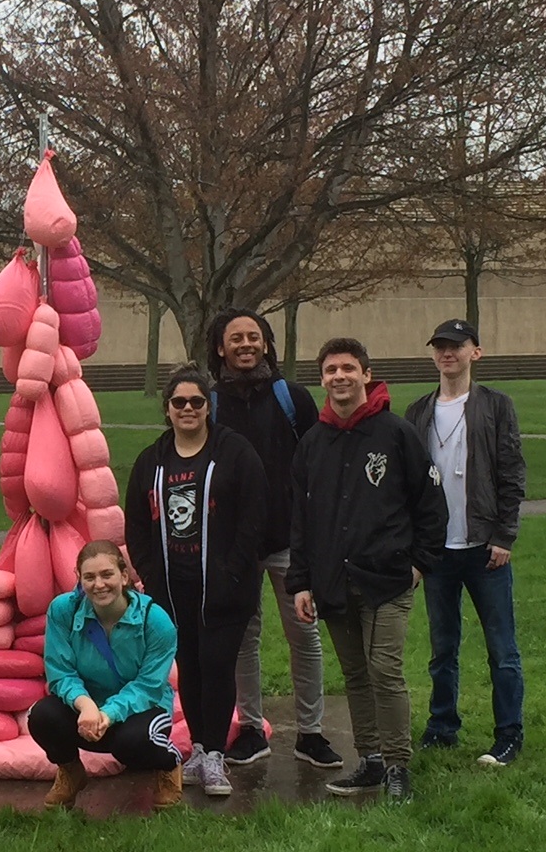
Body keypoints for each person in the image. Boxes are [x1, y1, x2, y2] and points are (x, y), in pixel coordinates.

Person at [288, 338, 447, 802]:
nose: (340, 377)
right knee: (356, 675)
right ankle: (371, 760)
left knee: (385, 671)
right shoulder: (312, 444)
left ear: (366, 374)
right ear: (322, 378)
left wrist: (420, 563)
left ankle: (399, 765)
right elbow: (301, 519)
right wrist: (300, 581)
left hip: (388, 579)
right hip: (333, 582)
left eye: (348, 368)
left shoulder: (396, 434)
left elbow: (430, 506)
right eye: (331, 369)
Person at [206, 308, 342, 770]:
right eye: (236, 338)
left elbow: (318, 466)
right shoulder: (209, 403)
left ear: (266, 344)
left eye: (254, 337)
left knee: (304, 636)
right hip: (233, 546)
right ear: (220, 348)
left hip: (289, 542)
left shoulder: (293, 399)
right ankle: (250, 729)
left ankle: (312, 732)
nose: (246, 344)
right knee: (244, 638)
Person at [125, 364, 266, 799]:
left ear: (209, 406)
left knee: (218, 664)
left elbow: (254, 517)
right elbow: (135, 523)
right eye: (179, 402)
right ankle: (198, 750)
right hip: (172, 585)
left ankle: (215, 755)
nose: (188, 409)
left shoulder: (235, 452)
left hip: (224, 587)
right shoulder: (152, 460)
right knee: (188, 665)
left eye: (197, 402)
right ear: (167, 409)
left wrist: (233, 571)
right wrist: (149, 574)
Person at [404, 319, 527, 767]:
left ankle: (509, 734)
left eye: (456, 346)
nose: (447, 353)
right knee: (442, 648)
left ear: (476, 352)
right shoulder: (418, 413)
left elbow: (512, 473)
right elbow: (408, 487)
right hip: (437, 553)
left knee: (502, 649)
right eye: (440, 346)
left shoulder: (495, 406)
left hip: (484, 550)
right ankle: (442, 726)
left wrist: (503, 536)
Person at [28, 541, 184, 810]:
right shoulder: (63, 611)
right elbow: (59, 671)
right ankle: (70, 771)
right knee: (41, 716)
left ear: (124, 576)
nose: (98, 584)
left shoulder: (155, 621)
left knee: (133, 744)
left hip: (141, 708)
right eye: (89, 577)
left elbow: (148, 686)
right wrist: (86, 705)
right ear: (79, 579)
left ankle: (169, 765)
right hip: (87, 711)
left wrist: (108, 713)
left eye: (106, 574)